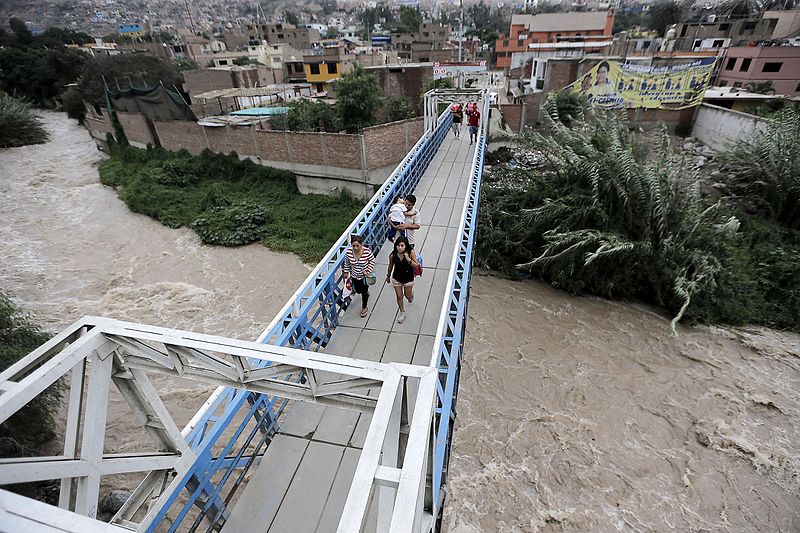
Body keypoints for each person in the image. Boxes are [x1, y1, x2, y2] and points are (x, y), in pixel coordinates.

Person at [385, 236, 418, 324]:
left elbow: (416, 265)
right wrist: (388, 276)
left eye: (402, 245)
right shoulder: (393, 255)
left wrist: (408, 259)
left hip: (408, 278)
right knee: (399, 296)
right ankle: (402, 312)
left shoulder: (411, 253)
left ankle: (411, 295)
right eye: (398, 245)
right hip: (397, 278)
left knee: (408, 297)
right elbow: (390, 266)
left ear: (406, 246)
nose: (400, 247)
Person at [343, 234, 375, 318]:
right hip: (354, 276)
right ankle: (365, 293)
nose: (356, 248)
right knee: (357, 290)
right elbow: (347, 263)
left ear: (361, 244)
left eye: (358, 245)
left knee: (364, 292)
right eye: (354, 246)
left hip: (364, 277)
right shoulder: (349, 252)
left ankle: (364, 307)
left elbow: (372, 260)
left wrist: (368, 270)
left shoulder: (367, 251)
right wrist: (346, 272)